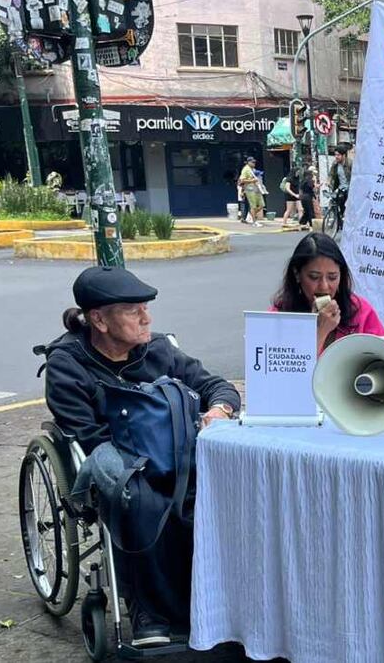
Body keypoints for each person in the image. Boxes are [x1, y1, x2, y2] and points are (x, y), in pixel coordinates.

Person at [42, 266, 240, 648]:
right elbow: (87, 434)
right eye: (134, 310)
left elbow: (217, 385)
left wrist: (220, 410)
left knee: (215, 491)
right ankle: (149, 609)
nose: (146, 318)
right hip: (114, 456)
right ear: (98, 319)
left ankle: (213, 596)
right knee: (141, 496)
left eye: (145, 308)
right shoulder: (67, 363)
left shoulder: (159, 350)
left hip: (173, 454)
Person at [271, 232, 384, 355]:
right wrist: (321, 330)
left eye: (332, 277)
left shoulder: (360, 311)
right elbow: (285, 371)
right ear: (297, 275)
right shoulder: (278, 316)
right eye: (314, 277)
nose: (324, 286)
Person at [327, 147, 352, 231]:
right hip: (340, 188)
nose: (336, 157)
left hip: (350, 188)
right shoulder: (335, 164)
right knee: (336, 203)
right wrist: (328, 181)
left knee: (348, 206)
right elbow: (331, 175)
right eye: (335, 155)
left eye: (338, 155)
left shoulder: (350, 163)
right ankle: (339, 222)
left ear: (344, 155)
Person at [238, 156, 264, 226]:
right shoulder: (245, 169)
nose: (254, 163)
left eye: (254, 162)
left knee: (261, 205)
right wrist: (251, 181)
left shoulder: (253, 169)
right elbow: (242, 180)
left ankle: (251, 214)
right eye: (252, 162)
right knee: (253, 206)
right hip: (250, 190)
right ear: (248, 162)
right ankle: (254, 222)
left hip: (257, 189)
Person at [298, 164, 317, 231]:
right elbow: (313, 188)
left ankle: (301, 224)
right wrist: (316, 185)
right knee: (310, 211)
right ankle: (312, 225)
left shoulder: (302, 180)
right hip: (308, 197)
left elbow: (300, 189)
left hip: (303, 197)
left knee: (306, 211)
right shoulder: (310, 180)